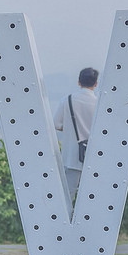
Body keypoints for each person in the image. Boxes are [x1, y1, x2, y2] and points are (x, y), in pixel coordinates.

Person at [53, 67, 99, 202]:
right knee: (92, 198)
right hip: (94, 156)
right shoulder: (100, 103)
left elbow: (56, 124)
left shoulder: (66, 101)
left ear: (79, 82)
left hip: (71, 156)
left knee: (66, 197)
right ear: (96, 84)